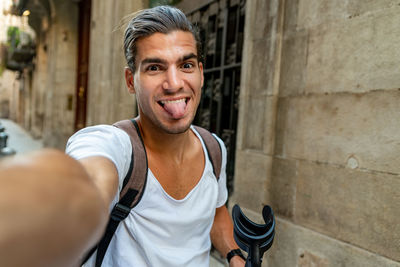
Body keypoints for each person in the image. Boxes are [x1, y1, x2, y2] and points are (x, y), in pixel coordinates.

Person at [65, 5, 245, 267]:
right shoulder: (113, 144)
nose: (174, 83)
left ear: (201, 74)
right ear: (130, 81)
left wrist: (235, 255)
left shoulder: (214, 148)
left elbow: (216, 212)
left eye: (186, 65)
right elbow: (91, 174)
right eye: (154, 68)